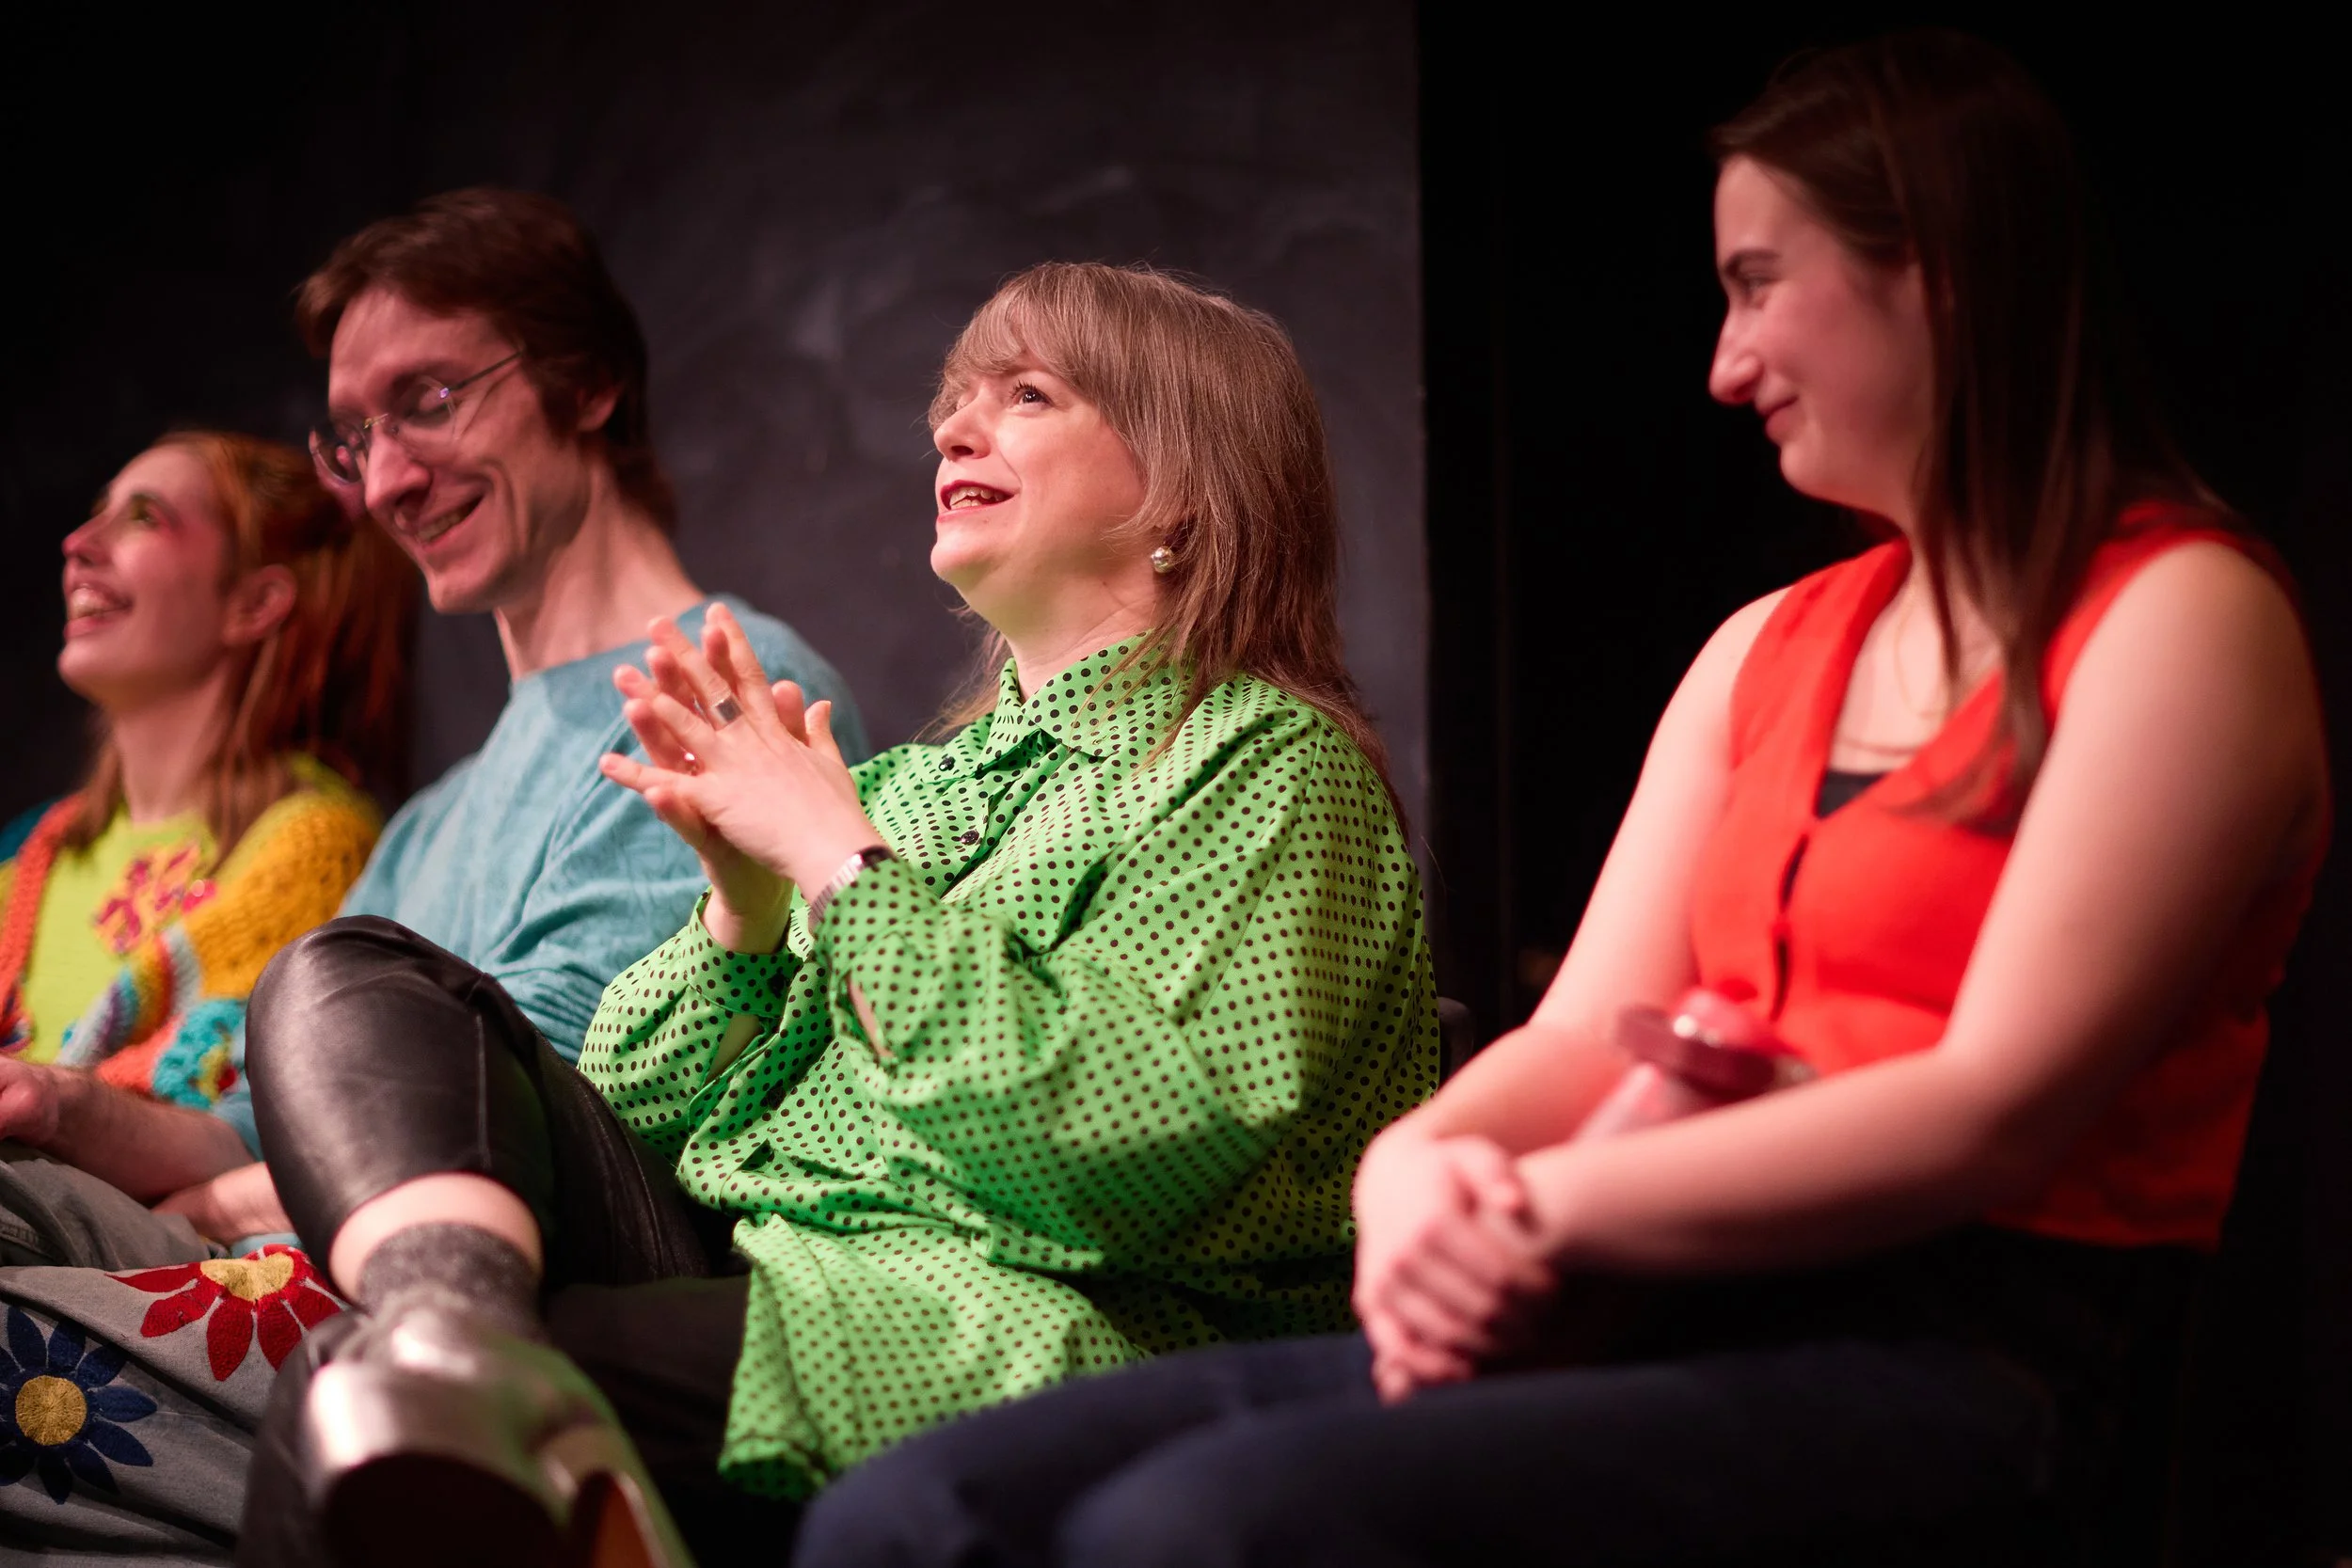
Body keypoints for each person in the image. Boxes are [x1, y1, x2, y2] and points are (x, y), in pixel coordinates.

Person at [791, 31, 2332, 1568]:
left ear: (1930, 269)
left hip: (1973, 1361)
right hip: (1654, 1303)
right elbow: (1584, 1034)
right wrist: (1417, 1176)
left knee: (1195, 1527)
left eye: (1753, 283)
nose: (1727, 365)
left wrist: (1543, 1216)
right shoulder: (1768, 648)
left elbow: (1990, 1111)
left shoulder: (2181, 617)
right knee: (911, 1514)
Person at [233, 261, 1436, 1566]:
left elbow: (1121, 1143)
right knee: (349, 973)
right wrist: (740, 914)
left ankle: (449, 1366)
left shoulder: (1263, 763)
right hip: (760, 1263)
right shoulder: (910, 785)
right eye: (952, 402)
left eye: (1024, 394)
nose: (953, 428)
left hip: (1013, 1319)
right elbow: (628, 1107)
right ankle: (445, 1320)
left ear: (1189, 484)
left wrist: (836, 858)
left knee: (342, 1401)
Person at [0, 189, 863, 1555]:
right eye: (354, 436)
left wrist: (235, 1187)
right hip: (314, 1253)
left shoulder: (732, 683)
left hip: (564, 1285)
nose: (387, 478)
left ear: (588, 385)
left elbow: (532, 1104)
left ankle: (456, 1388)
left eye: (434, 398)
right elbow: (285, 1117)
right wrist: (56, 1103)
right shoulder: (428, 822)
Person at [0, 432, 408, 1114]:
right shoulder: (33, 854)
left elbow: (240, 1120)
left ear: (254, 603)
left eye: (143, 518)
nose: (78, 543)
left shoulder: (314, 841)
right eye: (101, 511)